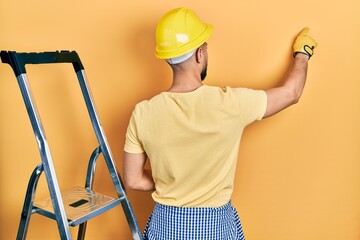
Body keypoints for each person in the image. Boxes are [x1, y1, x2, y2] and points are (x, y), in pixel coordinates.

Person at [122, 7, 317, 240]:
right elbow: (291, 93)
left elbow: (132, 179)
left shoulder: (143, 113)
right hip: (215, 228)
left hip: (165, 226)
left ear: (167, 57)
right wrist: (302, 54)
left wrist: (173, 183)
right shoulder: (230, 104)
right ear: (199, 54)